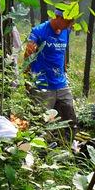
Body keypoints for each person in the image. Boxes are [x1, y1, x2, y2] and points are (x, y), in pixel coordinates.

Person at [23, 10, 76, 142]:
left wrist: (64, 72)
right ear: (57, 17)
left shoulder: (66, 31)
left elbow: (62, 54)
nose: (69, 25)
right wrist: (26, 79)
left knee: (70, 119)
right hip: (43, 86)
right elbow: (27, 56)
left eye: (71, 22)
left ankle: (71, 148)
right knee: (41, 124)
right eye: (67, 21)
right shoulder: (38, 32)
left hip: (61, 84)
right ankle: (39, 154)